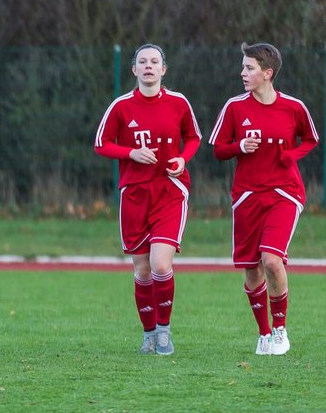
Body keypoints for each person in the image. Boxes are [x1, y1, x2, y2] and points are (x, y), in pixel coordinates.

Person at [209, 42, 319, 356]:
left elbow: (311, 139)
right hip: (246, 196)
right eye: (243, 67)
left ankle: (281, 329)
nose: (243, 73)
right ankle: (264, 333)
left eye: (249, 68)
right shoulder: (234, 107)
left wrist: (292, 156)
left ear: (267, 73)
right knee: (253, 268)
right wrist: (239, 147)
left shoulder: (293, 107)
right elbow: (218, 149)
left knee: (272, 260)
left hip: (285, 192)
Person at [94, 43, 201, 355]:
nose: (149, 66)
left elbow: (193, 137)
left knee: (160, 264)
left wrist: (183, 159)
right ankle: (149, 333)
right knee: (141, 270)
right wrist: (131, 153)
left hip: (170, 190)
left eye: (155, 61)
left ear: (164, 69)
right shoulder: (121, 106)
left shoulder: (179, 103)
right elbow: (102, 144)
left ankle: (165, 331)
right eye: (143, 61)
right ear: (134, 69)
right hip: (135, 195)